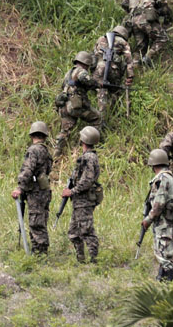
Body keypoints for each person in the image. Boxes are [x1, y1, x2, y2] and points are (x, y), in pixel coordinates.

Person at [12, 121, 52, 255]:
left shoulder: (33, 150)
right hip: (44, 190)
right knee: (42, 221)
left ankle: (39, 253)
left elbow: (28, 170)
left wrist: (20, 187)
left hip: (35, 191)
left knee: (36, 223)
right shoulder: (45, 151)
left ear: (32, 135)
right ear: (44, 136)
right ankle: (41, 250)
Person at [62, 126, 101, 263]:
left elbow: (87, 180)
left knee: (86, 231)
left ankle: (94, 261)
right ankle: (81, 259)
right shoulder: (87, 157)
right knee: (73, 232)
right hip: (79, 202)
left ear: (83, 140)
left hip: (84, 201)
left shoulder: (89, 158)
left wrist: (71, 191)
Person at [54, 51, 101, 158]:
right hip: (76, 106)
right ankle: (91, 145)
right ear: (86, 63)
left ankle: (56, 154)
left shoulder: (68, 73)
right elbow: (85, 78)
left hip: (65, 106)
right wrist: (96, 84)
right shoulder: (81, 71)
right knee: (97, 117)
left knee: (64, 132)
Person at [121, 0, 168, 67]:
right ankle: (149, 56)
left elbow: (124, 3)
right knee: (162, 38)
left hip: (133, 21)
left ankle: (135, 67)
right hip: (146, 19)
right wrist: (161, 9)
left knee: (140, 47)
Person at [142, 149, 173, 281]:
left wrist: (149, 219)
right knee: (163, 247)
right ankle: (163, 276)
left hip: (163, 219)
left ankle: (167, 279)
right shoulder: (167, 177)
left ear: (153, 165)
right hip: (165, 218)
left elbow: (159, 202)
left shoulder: (162, 178)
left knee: (163, 247)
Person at [92, 25, 134, 122]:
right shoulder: (123, 42)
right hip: (112, 70)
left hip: (98, 70)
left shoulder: (100, 39)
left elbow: (94, 55)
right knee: (116, 90)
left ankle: (101, 117)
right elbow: (129, 61)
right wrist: (130, 76)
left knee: (101, 91)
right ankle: (113, 109)